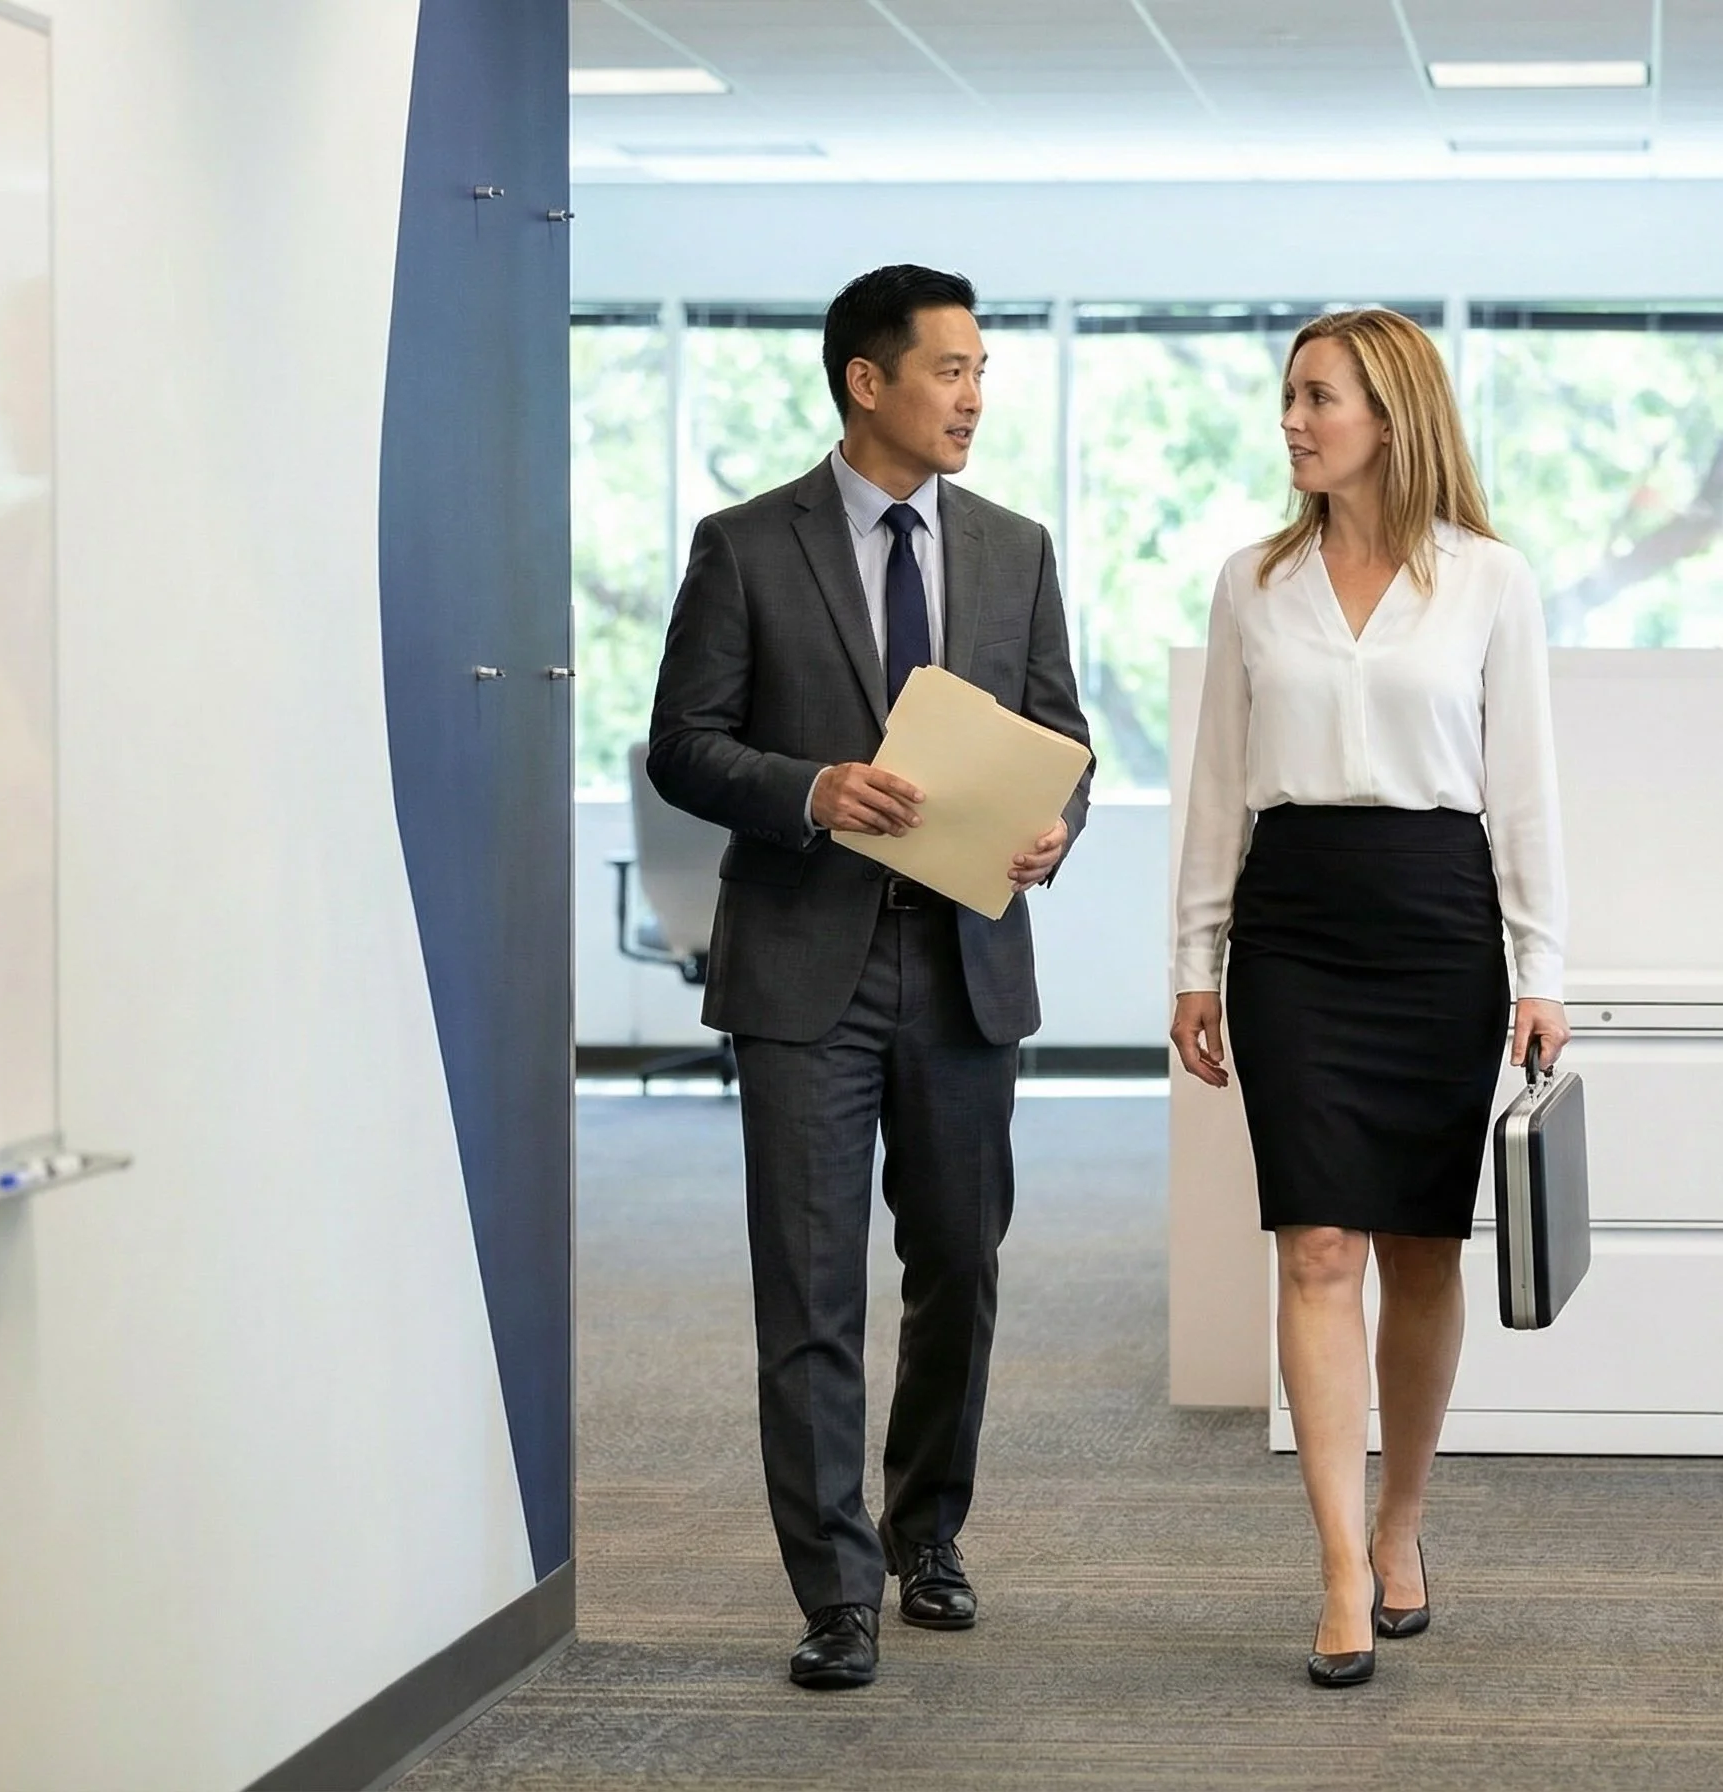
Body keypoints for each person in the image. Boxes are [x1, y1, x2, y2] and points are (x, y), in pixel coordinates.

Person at [647, 264, 1092, 1691]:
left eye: (980, 373)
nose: (974, 395)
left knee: (958, 1266)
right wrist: (813, 788)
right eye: (950, 370)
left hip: (965, 963)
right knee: (811, 1289)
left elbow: (1063, 739)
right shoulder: (745, 546)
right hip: (803, 970)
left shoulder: (1016, 549)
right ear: (867, 380)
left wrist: (1053, 832)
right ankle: (835, 1589)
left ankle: (927, 1532)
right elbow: (684, 743)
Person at [1169, 307, 1569, 1688]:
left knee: (1418, 1248)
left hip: (1436, 923)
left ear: (1390, 418)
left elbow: (1522, 789)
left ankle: (1404, 1523)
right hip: (1294, 927)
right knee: (1315, 1244)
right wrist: (1192, 958)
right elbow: (1219, 784)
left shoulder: (1489, 581)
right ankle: (1339, 1567)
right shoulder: (1251, 583)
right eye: (1288, 397)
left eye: (1317, 397)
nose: (1291, 421)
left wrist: (1545, 971)